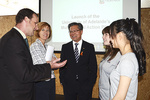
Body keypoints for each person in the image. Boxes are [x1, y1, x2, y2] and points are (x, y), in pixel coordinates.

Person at [0, 8, 67, 100]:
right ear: (26, 19)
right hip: (16, 95)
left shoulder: (17, 38)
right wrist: (49, 66)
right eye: (35, 23)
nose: (36, 28)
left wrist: (49, 65)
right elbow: (24, 74)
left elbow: (26, 68)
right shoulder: (13, 40)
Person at [109, 18, 146, 100]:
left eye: (111, 36)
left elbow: (120, 97)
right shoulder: (126, 57)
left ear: (120, 36)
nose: (110, 40)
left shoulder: (127, 61)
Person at [59, 22, 97, 100]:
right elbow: (62, 66)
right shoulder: (65, 47)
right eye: (71, 31)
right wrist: (63, 81)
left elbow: (93, 67)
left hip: (85, 85)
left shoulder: (89, 47)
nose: (73, 33)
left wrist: (90, 83)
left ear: (81, 31)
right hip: (69, 85)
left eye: (75, 31)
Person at [30, 22, 56, 100]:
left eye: (48, 30)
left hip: (51, 80)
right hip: (41, 82)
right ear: (38, 32)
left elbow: (55, 62)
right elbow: (41, 64)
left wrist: (51, 62)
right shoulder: (34, 46)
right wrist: (51, 62)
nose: (46, 32)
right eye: (43, 30)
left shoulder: (48, 47)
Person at [98, 26, 121, 100]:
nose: (103, 37)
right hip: (103, 95)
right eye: (103, 35)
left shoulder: (120, 55)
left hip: (112, 96)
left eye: (106, 34)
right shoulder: (109, 53)